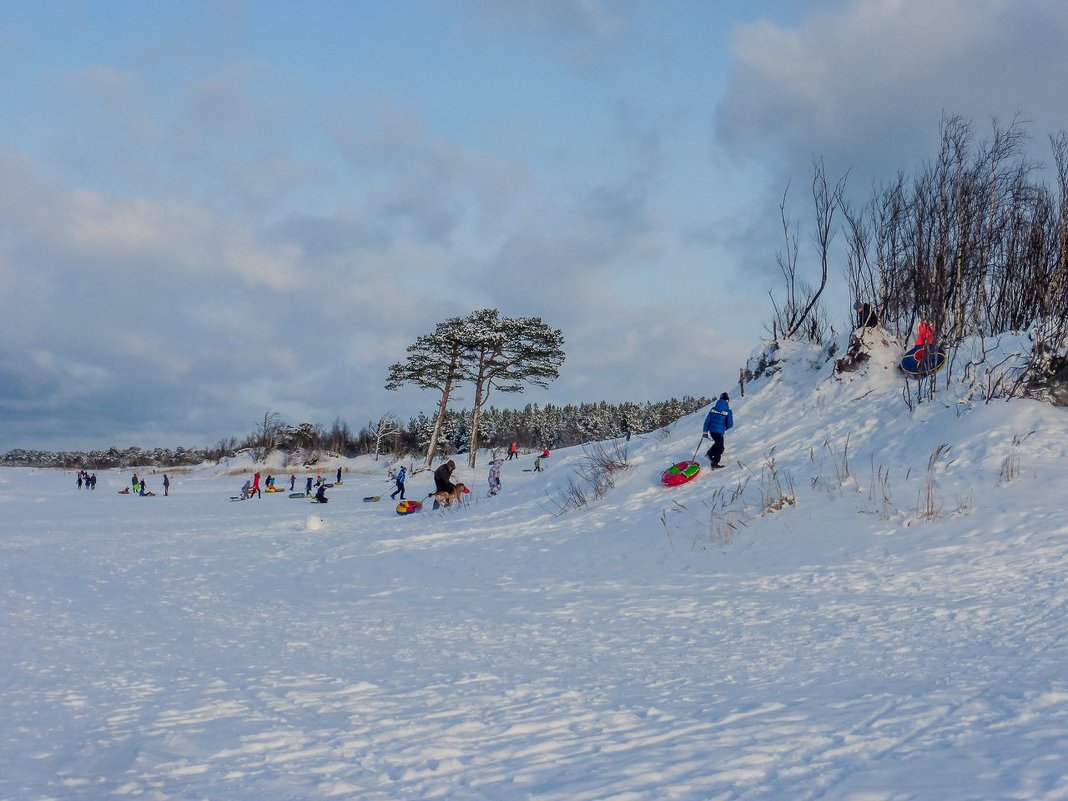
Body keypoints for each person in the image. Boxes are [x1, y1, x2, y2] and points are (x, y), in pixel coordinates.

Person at [702, 391, 734, 469]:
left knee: (718, 444)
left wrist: (705, 432)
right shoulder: (728, 411)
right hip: (719, 432)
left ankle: (709, 454)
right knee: (720, 447)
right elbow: (730, 424)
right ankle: (714, 463)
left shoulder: (713, 409)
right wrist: (725, 427)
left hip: (712, 431)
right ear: (727, 400)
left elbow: (707, 421)